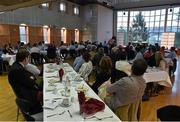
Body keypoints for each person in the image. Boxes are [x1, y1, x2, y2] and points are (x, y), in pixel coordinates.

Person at [8, 49, 42, 114]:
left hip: (23, 90)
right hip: (26, 95)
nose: (29, 60)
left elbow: (31, 77)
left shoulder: (17, 65)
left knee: (41, 84)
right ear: (25, 59)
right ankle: (42, 110)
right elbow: (31, 82)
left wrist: (32, 78)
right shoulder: (18, 70)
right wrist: (33, 79)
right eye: (28, 58)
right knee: (44, 89)